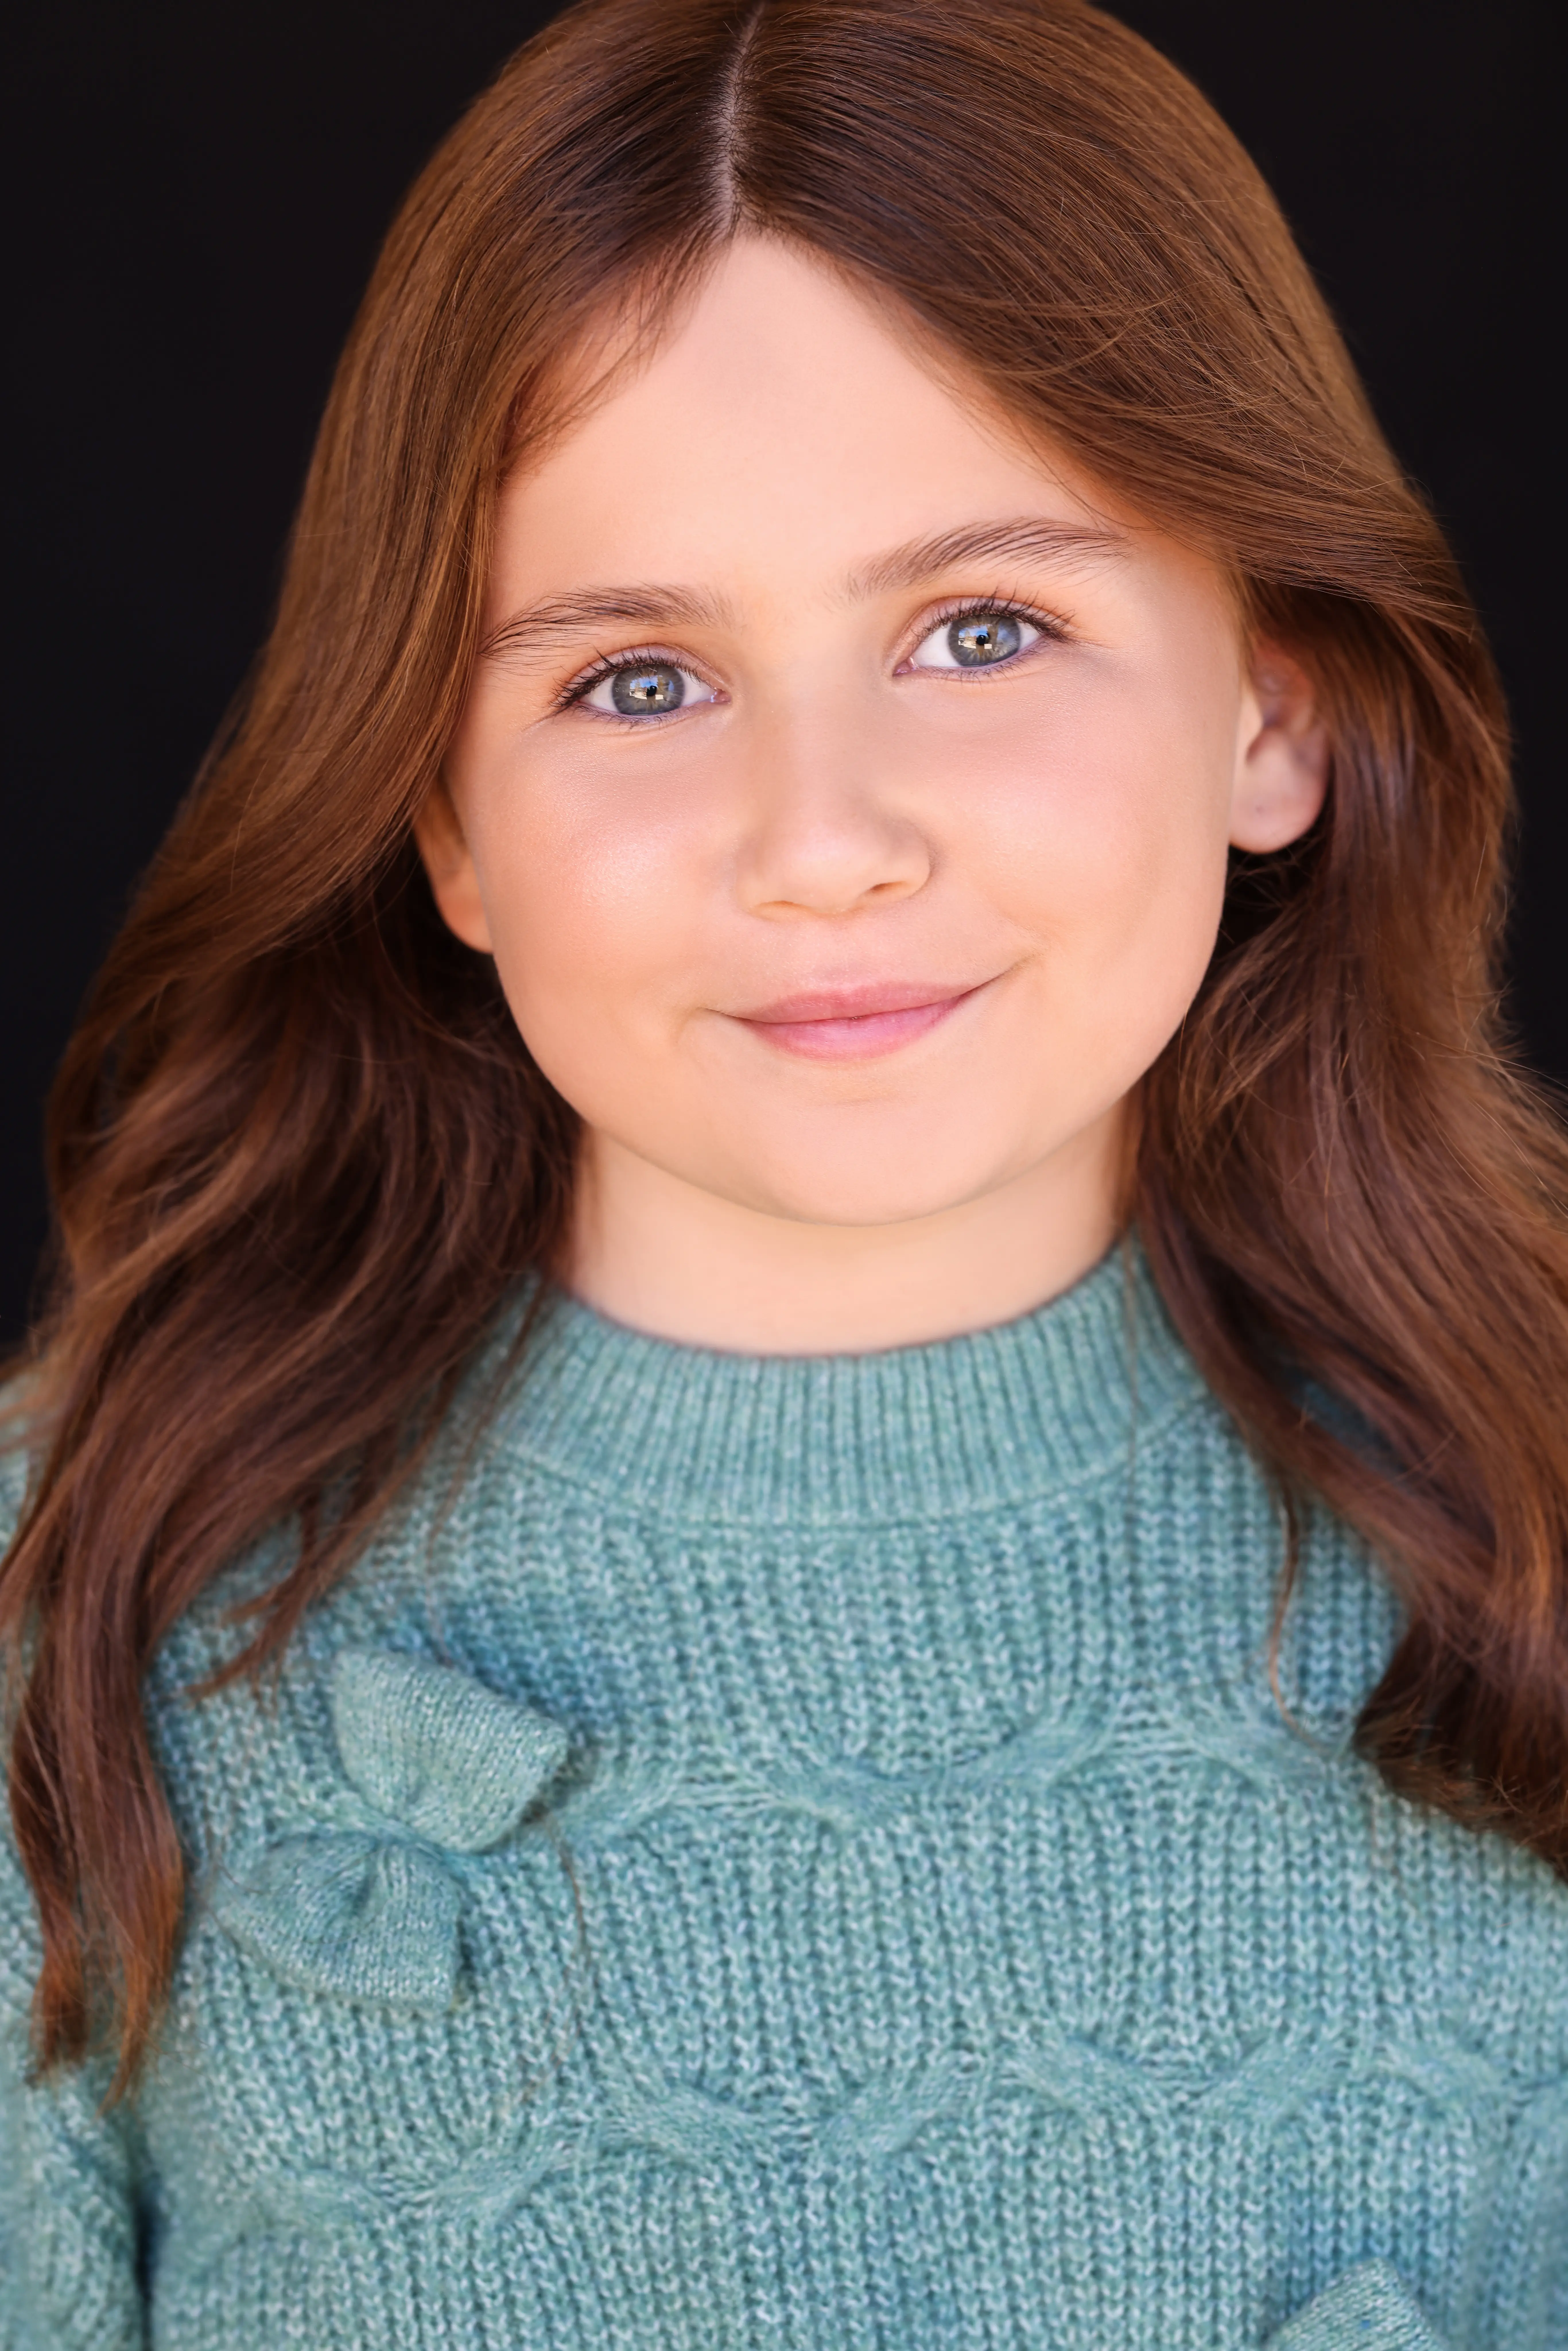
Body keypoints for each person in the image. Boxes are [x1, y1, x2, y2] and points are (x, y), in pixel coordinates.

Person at [3, 0, 1564, 2342]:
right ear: (440, 812)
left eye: (980, 628)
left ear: (1274, 706)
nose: (816, 843)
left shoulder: (1526, 1510)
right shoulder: (72, 1600)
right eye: (636, 677)